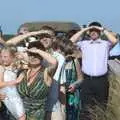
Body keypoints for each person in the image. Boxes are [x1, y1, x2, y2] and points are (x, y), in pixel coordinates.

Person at [70, 21, 118, 120]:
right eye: (91, 30)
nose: (93, 32)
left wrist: (102, 29)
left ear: (100, 32)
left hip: (102, 81)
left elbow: (115, 41)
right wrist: (85, 29)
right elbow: (71, 41)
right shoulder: (84, 44)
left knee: (101, 108)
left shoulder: (106, 44)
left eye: (96, 30)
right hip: (87, 80)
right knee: (86, 110)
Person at [0, 41, 58, 120]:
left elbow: (54, 62)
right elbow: (6, 86)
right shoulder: (21, 71)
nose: (33, 57)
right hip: (15, 114)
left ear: (42, 55)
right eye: (31, 55)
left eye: (36, 55)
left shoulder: (46, 73)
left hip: (36, 116)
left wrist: (37, 50)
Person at [0, 46, 26, 120]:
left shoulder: (16, 67)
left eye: (5, 56)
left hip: (14, 94)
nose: (2, 59)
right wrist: (17, 81)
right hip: (7, 95)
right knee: (21, 117)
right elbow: (0, 84)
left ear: (12, 57)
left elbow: (26, 62)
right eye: (1, 56)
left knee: (21, 116)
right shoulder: (1, 68)